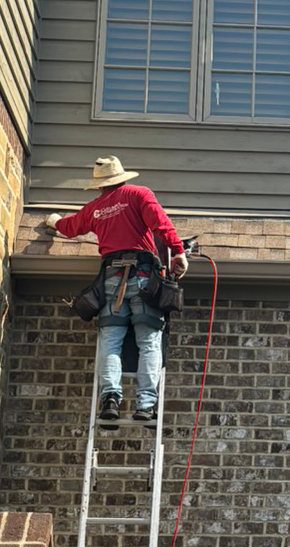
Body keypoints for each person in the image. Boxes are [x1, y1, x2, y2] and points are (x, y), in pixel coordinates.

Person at [45, 156, 188, 423]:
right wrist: (179, 252)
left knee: (111, 341)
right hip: (143, 279)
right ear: (121, 177)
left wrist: (54, 222)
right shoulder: (139, 194)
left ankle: (110, 399)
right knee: (148, 342)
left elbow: (71, 227)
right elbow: (160, 224)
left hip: (111, 280)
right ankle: (146, 405)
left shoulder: (95, 208)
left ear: (100, 185)